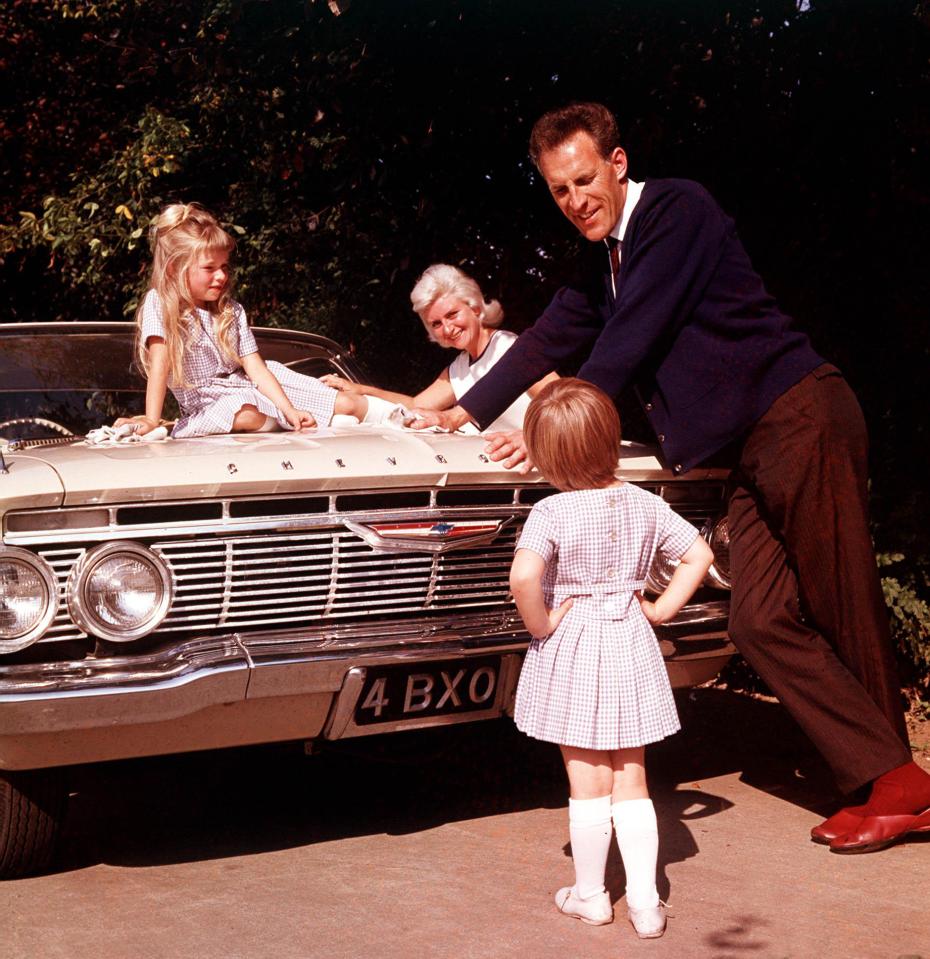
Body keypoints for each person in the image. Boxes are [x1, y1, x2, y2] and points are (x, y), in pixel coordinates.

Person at [412, 102, 930, 853]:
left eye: (584, 179)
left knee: (838, 591)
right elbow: (550, 335)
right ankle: (888, 776)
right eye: (559, 189)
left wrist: (552, 424)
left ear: (618, 165)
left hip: (800, 416)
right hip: (746, 450)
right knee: (759, 620)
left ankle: (894, 786)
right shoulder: (604, 260)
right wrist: (462, 412)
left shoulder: (677, 210)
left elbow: (632, 335)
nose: (574, 199)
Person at [509, 378, 713, 938]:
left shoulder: (551, 511)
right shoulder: (646, 503)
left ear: (546, 452)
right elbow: (698, 554)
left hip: (574, 646)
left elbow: (524, 576)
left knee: (587, 781)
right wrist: (662, 608)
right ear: (610, 439)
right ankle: (646, 904)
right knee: (633, 779)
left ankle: (592, 895)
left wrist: (542, 624)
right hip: (630, 644)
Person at [116, 202, 404, 439]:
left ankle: (406, 416)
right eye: (209, 268)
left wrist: (289, 409)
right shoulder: (161, 303)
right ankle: (302, 423)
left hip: (256, 386)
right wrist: (152, 419)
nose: (221, 276)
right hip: (210, 401)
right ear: (174, 268)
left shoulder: (231, 310)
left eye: (225, 267)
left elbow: (257, 368)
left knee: (346, 402)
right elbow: (160, 365)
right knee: (244, 413)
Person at [322, 263, 556, 431]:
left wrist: (530, 438)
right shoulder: (459, 368)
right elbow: (416, 406)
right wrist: (362, 390)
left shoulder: (509, 347)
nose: (447, 327)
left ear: (474, 307)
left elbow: (566, 403)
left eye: (452, 314)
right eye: (436, 323)